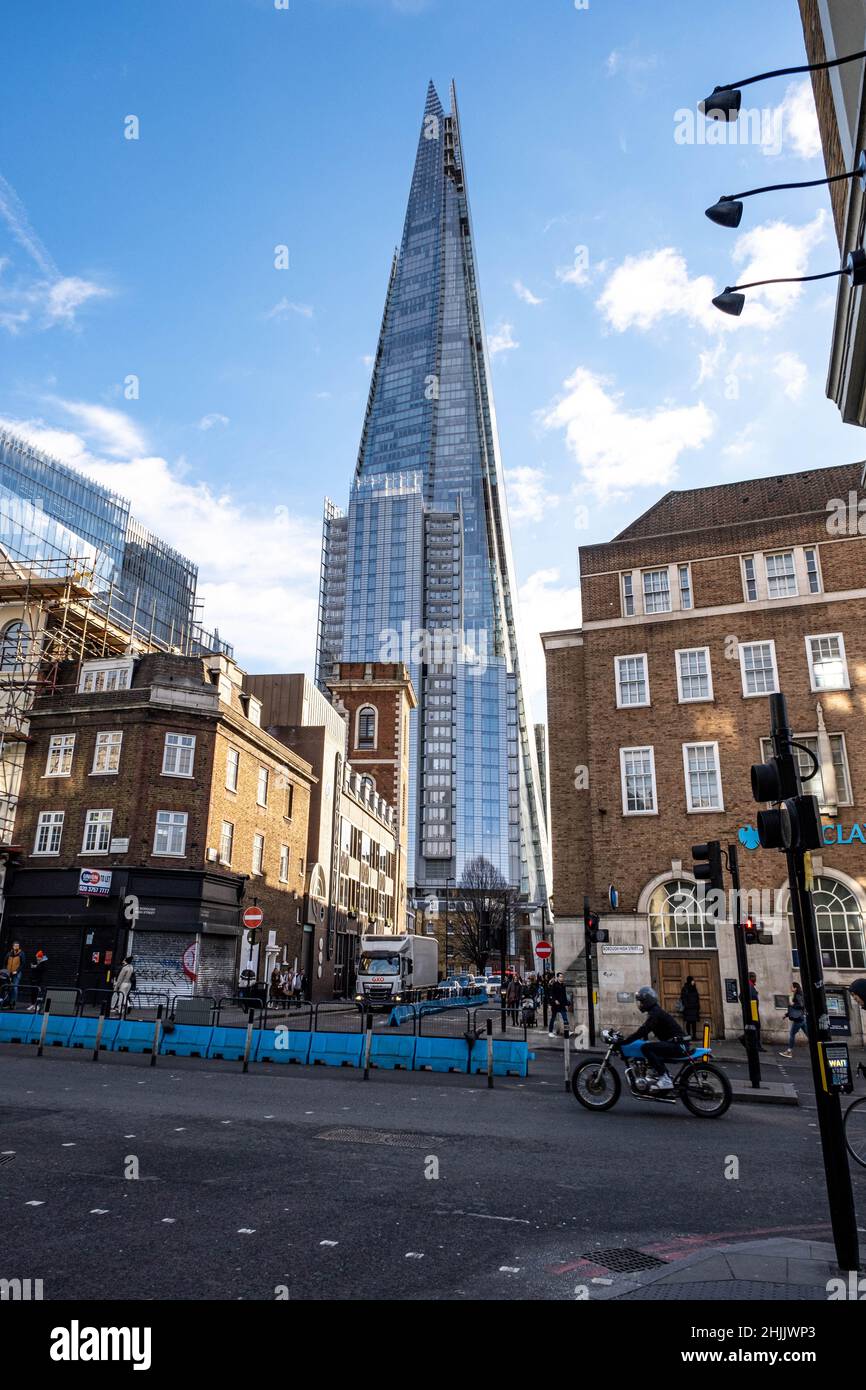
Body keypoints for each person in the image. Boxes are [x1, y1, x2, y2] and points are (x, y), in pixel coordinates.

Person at [623, 985, 689, 1091]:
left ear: (648, 1001)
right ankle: (658, 1072)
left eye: (642, 1002)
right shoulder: (655, 1011)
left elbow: (644, 1030)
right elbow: (645, 1030)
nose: (640, 1005)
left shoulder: (655, 1013)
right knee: (648, 1047)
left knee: (646, 1048)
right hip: (678, 1044)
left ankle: (665, 1078)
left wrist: (625, 1041)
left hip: (678, 1045)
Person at [779, 980, 808, 1058]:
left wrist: (792, 1005)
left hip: (798, 1019)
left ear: (795, 988)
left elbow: (800, 1006)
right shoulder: (799, 995)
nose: (790, 988)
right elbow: (797, 1009)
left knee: (792, 1034)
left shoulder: (798, 995)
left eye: (792, 986)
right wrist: (786, 1015)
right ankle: (818, 1049)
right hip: (802, 1018)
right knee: (808, 1034)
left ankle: (789, 1052)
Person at [547, 972, 570, 1038]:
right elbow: (552, 994)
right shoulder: (554, 985)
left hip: (562, 1004)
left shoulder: (563, 985)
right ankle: (550, 1032)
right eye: (560, 977)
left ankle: (567, 1032)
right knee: (553, 1018)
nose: (561, 978)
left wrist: (566, 1004)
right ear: (557, 978)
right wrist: (555, 1000)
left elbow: (564, 995)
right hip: (555, 1005)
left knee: (565, 1018)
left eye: (562, 977)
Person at [679, 975, 700, 1040]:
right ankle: (689, 1036)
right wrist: (686, 1005)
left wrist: (698, 1005)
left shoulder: (694, 988)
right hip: (688, 1008)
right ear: (690, 981)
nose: (694, 982)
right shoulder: (685, 988)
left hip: (694, 1007)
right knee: (688, 1022)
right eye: (692, 980)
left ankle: (694, 1036)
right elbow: (683, 997)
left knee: (694, 1022)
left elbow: (697, 997)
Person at [4, 942, 25, 1007]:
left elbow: (23, 964)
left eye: (18, 946)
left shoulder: (21, 954)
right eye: (15, 946)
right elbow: (5, 962)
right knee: (8, 987)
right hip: (8, 973)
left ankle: (13, 1003)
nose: (16, 947)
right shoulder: (9, 953)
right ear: (13, 946)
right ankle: (7, 1002)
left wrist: (17, 971)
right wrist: (5, 971)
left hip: (17, 973)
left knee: (15, 987)